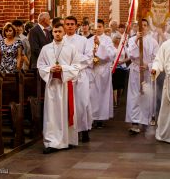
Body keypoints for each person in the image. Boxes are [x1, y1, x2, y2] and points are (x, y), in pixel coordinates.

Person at [37, 22, 81, 154]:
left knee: (65, 112)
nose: (57, 34)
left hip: (65, 85)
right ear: (52, 33)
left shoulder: (71, 48)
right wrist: (50, 69)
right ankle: (52, 141)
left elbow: (77, 66)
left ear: (64, 32)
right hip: (51, 85)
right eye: (55, 31)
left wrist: (63, 68)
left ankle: (67, 140)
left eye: (59, 31)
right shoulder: (45, 49)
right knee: (52, 114)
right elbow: (40, 65)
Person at [125, 19, 159, 134]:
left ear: (148, 27)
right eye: (140, 25)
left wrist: (148, 66)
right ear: (136, 28)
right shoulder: (131, 40)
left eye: (145, 25)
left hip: (147, 72)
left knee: (146, 96)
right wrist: (136, 41)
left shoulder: (153, 42)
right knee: (134, 96)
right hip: (135, 71)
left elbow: (157, 58)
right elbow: (131, 55)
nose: (143, 27)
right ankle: (134, 122)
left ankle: (145, 120)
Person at [64, 16, 93, 142]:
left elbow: (89, 57)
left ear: (76, 26)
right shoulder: (61, 40)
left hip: (80, 75)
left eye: (72, 24)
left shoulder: (83, 40)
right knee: (68, 104)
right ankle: (70, 131)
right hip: (66, 77)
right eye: (67, 24)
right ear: (64, 26)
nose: (70, 26)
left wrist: (74, 59)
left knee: (82, 103)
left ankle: (84, 129)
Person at [87, 19, 115, 128]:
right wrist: (92, 55)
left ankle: (100, 118)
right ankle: (92, 117)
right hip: (93, 69)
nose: (97, 29)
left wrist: (100, 45)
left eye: (99, 26)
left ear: (103, 27)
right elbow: (86, 53)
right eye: (95, 27)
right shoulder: (89, 40)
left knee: (102, 95)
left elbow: (111, 54)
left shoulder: (107, 40)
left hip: (103, 70)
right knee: (92, 94)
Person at [112, 32, 129, 107]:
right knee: (114, 84)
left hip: (122, 68)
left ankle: (119, 99)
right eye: (117, 38)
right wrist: (113, 62)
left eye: (120, 38)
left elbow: (129, 57)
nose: (119, 39)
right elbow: (108, 55)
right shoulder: (111, 46)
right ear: (114, 39)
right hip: (113, 68)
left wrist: (122, 61)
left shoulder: (124, 47)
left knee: (121, 85)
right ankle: (114, 101)